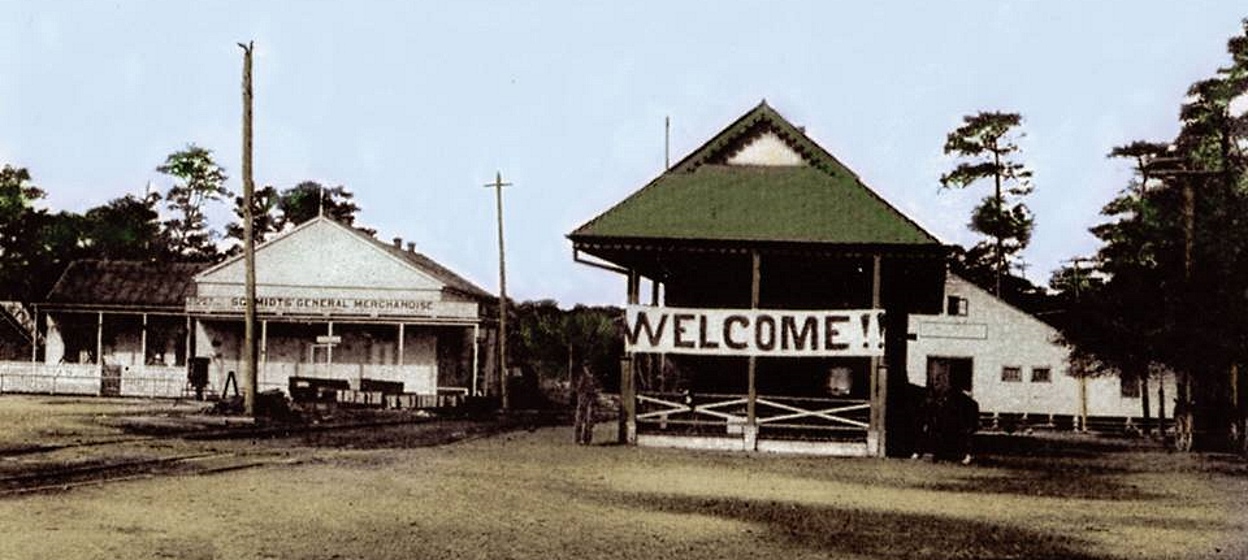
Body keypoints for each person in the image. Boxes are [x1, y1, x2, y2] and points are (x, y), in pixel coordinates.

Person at [573, 363, 600, 445]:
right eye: (586, 367)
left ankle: (587, 439)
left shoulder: (593, 378)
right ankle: (578, 439)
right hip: (583, 399)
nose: (588, 368)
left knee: (589, 420)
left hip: (590, 400)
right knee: (579, 419)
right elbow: (578, 388)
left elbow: (597, 387)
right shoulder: (583, 377)